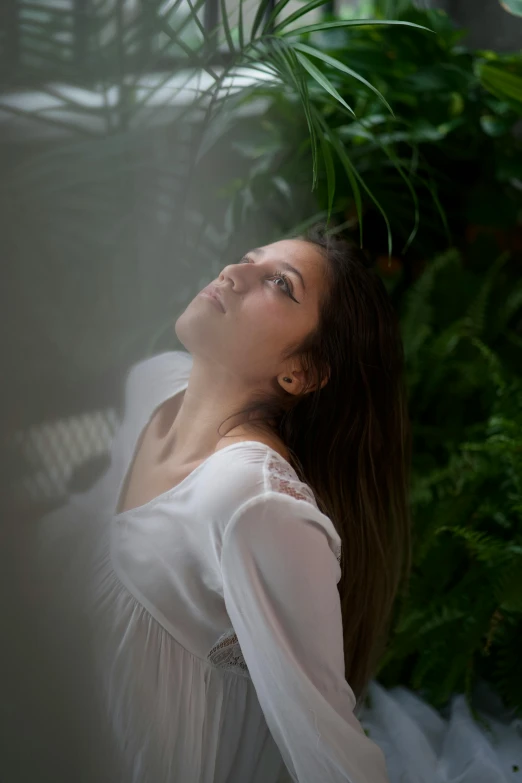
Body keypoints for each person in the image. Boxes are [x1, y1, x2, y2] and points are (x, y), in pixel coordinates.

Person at [6, 223, 412, 783]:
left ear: (303, 372)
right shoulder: (152, 383)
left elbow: (330, 755)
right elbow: (90, 529)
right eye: (249, 257)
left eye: (279, 283)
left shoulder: (255, 505)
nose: (234, 271)